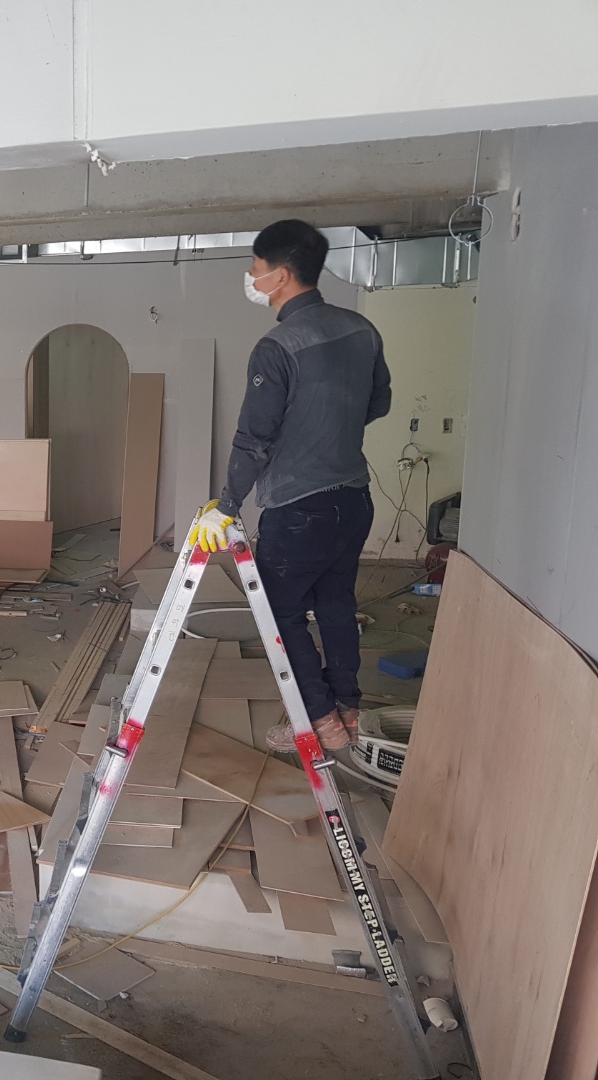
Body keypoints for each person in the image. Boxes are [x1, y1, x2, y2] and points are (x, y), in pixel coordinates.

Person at [190, 219, 390, 753]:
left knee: (279, 615)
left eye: (255, 268)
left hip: (299, 510)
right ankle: (347, 712)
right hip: (354, 499)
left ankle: (319, 720)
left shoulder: (277, 346)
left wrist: (226, 505)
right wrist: (328, 428)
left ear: (279, 276)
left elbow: (254, 439)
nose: (250, 276)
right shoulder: (360, 329)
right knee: (336, 607)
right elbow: (379, 403)